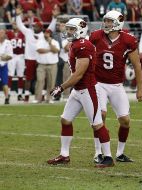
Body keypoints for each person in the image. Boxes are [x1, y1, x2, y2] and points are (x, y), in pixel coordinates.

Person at [47, 18, 114, 168]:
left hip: (87, 90)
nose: (68, 31)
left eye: (72, 29)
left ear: (81, 30)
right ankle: (64, 155)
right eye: (68, 29)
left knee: (97, 125)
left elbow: (78, 74)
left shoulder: (84, 46)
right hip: (77, 90)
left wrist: (61, 87)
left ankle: (108, 157)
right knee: (65, 120)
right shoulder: (76, 44)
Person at [89, 10, 142, 163]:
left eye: (109, 21)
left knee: (125, 120)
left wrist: (140, 88)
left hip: (116, 85)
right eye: (106, 21)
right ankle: (98, 152)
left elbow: (137, 66)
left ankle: (120, 153)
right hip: (98, 83)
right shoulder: (96, 36)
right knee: (101, 115)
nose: (106, 24)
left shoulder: (128, 40)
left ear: (118, 23)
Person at [15, 6, 58, 102]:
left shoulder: (44, 35)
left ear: (41, 28)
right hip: (29, 59)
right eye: (34, 26)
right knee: (28, 79)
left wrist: (54, 18)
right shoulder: (28, 32)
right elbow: (20, 25)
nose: (34, 27)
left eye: (36, 26)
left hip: (40, 60)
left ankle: (42, 95)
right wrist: (18, 15)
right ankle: (26, 96)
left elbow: (51, 27)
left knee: (42, 79)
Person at [34, 29, 60, 103]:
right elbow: (39, 50)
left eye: (48, 33)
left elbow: (56, 51)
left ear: (50, 34)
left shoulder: (55, 42)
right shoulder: (40, 41)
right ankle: (37, 98)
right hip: (41, 65)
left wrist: (50, 44)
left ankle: (49, 98)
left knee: (51, 82)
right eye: (45, 33)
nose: (46, 34)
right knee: (39, 80)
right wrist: (49, 50)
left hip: (52, 64)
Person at [6, 22, 25, 101]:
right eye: (13, 24)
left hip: (21, 55)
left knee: (20, 75)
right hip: (12, 55)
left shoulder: (23, 33)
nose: (14, 25)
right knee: (10, 75)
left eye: (16, 24)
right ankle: (8, 93)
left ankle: (19, 94)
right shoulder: (8, 33)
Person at [0, 29, 13, 104]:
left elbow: (10, 56)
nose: (1, 34)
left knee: (4, 83)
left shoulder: (8, 43)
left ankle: (7, 97)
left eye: (2, 33)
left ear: (5, 34)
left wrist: (4, 57)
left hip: (3, 65)